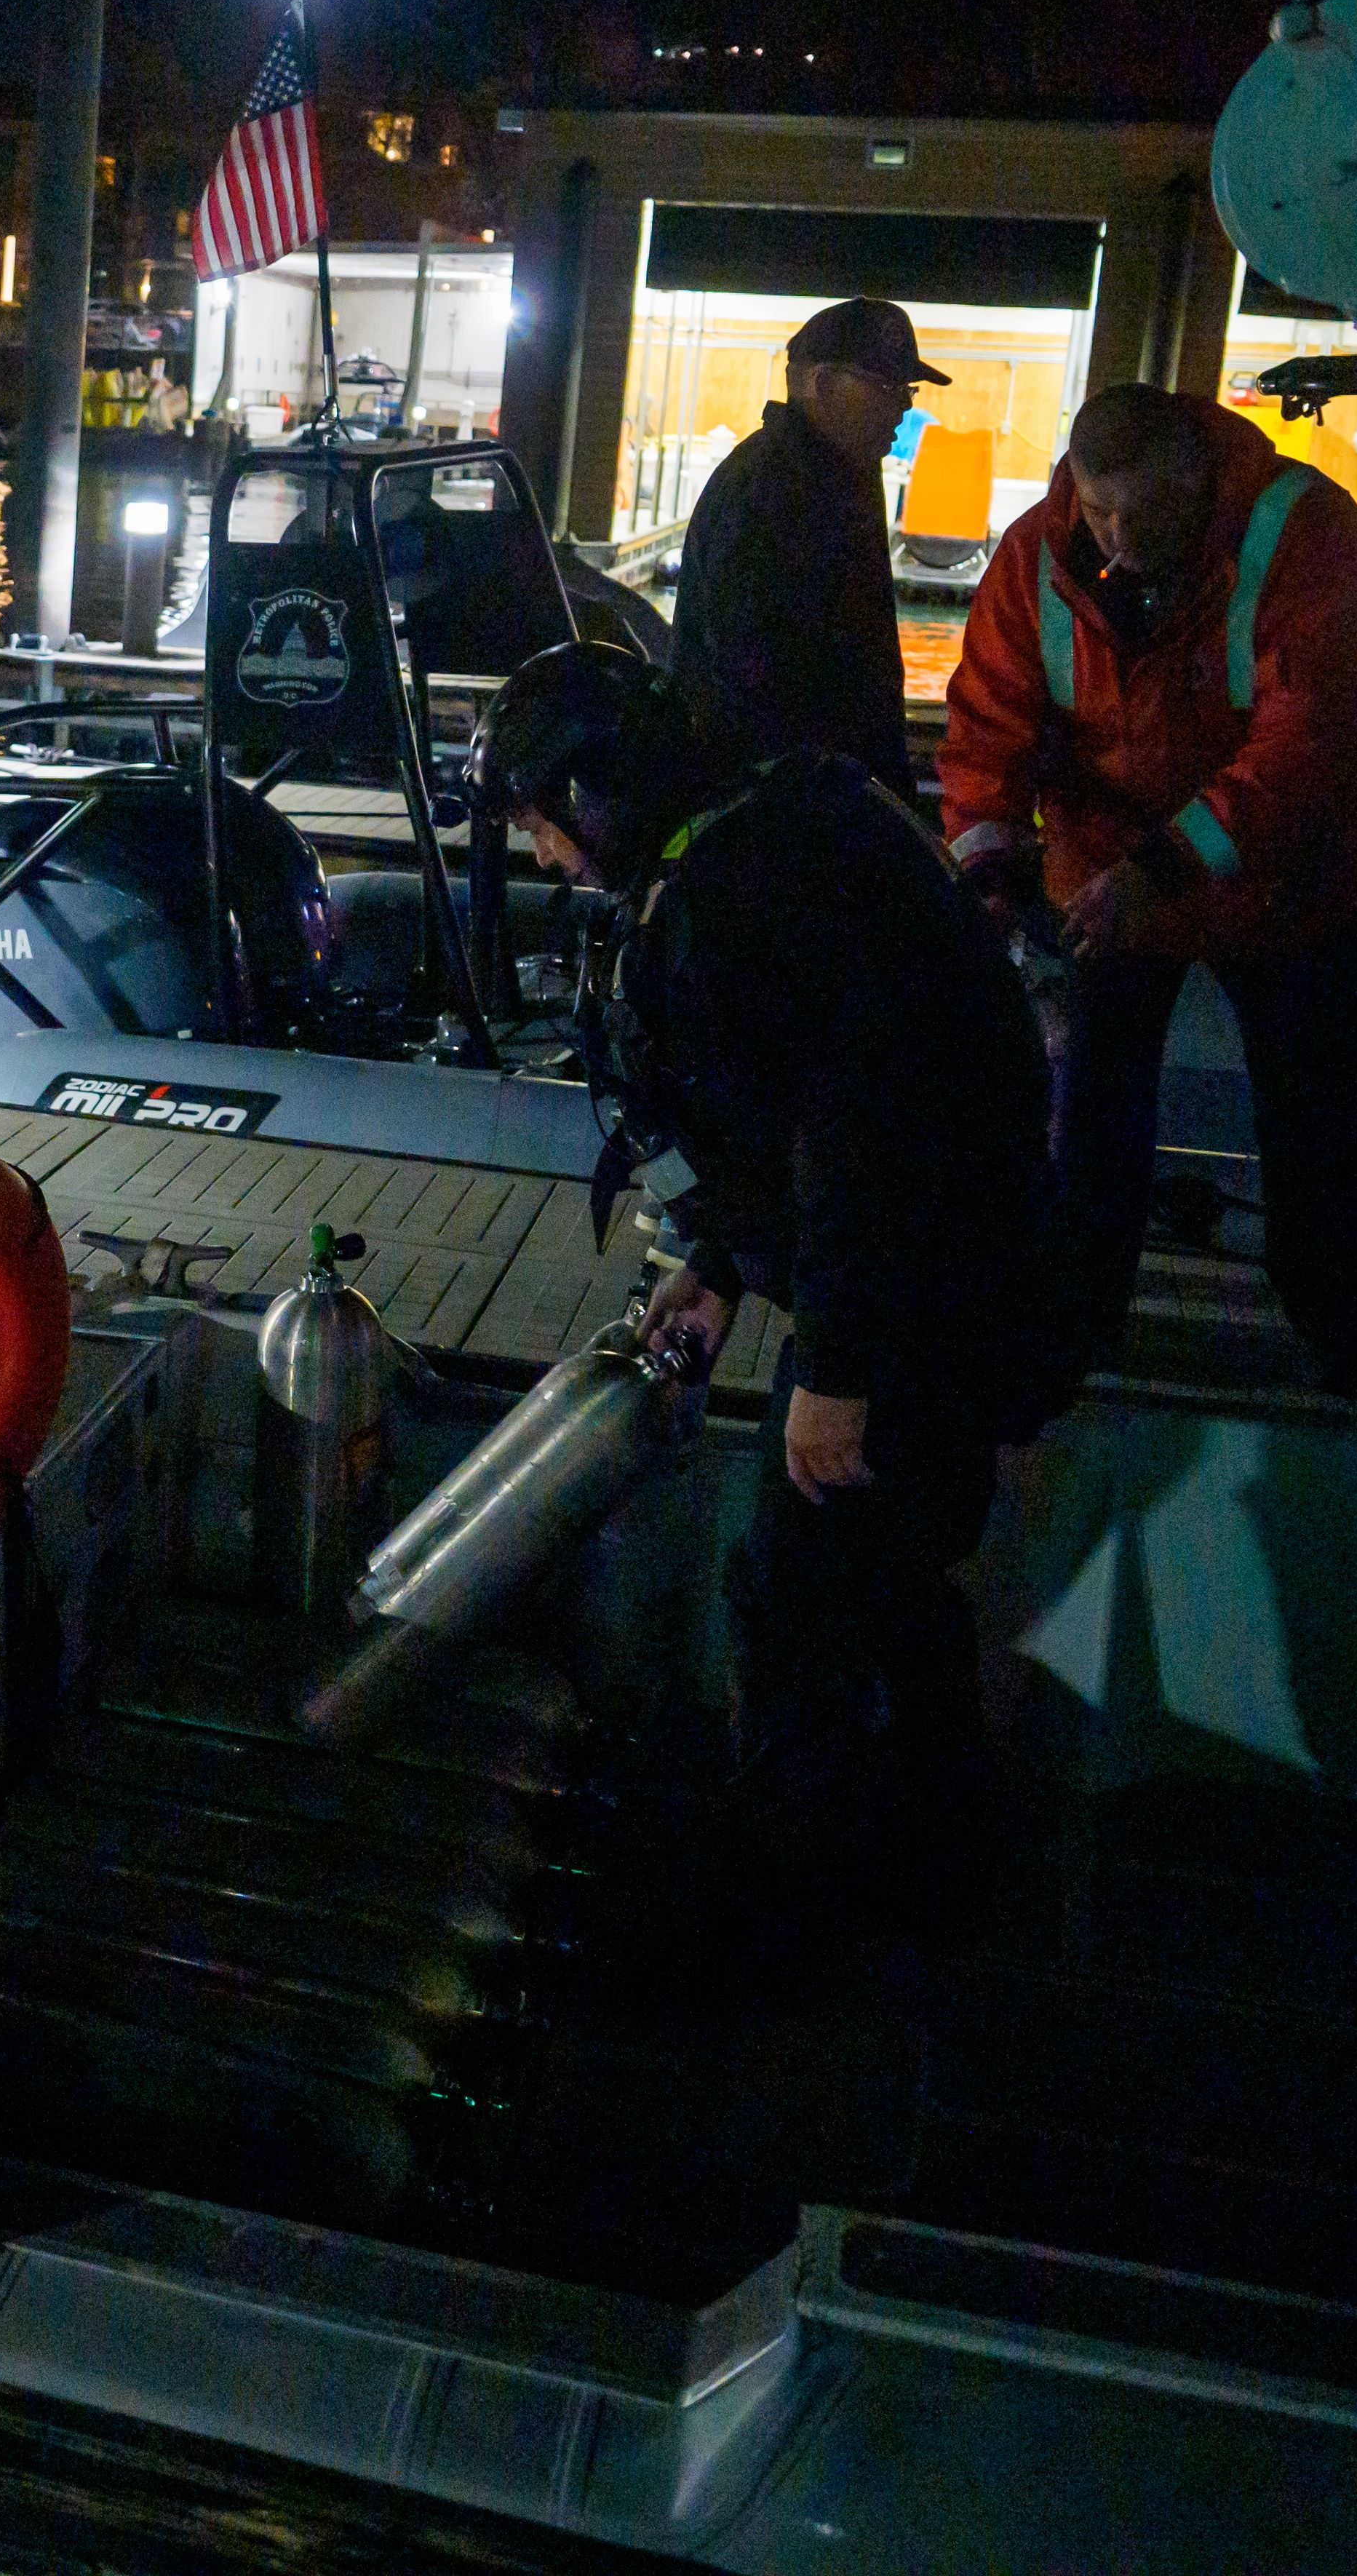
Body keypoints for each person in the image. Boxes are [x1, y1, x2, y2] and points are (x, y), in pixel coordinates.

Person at [483, 640, 1062, 1917]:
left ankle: (785, 1911)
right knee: (892, 1577)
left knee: (794, 1598)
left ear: (593, 798)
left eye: (541, 828)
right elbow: (795, 1105)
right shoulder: (764, 841)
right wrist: (721, 1266)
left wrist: (838, 1376)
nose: (542, 862)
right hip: (953, 1276)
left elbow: (862, 1136)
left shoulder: (744, 891)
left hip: (918, 1305)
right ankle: (951, 1871)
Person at [939, 381, 1357, 1398]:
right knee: (1090, 1115)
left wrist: (1156, 870)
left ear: (1198, 480)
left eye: (1141, 516)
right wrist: (987, 871)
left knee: (1320, 1122)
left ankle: (1339, 1347)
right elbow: (987, 727)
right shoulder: (1037, 556)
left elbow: (1309, 749)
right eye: (1098, 509)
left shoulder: (1307, 540)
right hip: (1111, 878)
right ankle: (1075, 1339)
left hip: (1295, 886)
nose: (1115, 536)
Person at [666, 296, 942, 790]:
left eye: (909, 388)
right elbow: (749, 676)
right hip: (782, 811)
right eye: (887, 386)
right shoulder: (769, 488)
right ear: (823, 385)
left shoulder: (839, 474)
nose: (905, 404)